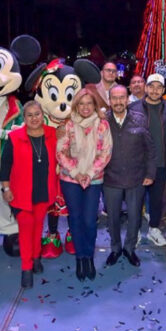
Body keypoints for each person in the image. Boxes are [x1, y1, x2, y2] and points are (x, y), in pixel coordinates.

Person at [0, 101, 59, 288]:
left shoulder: (53, 134)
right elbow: (5, 165)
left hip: (44, 190)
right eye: (30, 115)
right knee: (26, 227)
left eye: (37, 114)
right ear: (24, 118)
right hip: (20, 193)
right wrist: (6, 189)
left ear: (43, 115)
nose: (34, 118)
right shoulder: (14, 137)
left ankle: (36, 257)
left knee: (38, 226)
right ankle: (26, 267)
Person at [56, 88, 112, 281]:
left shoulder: (103, 125)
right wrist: (76, 173)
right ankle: (80, 258)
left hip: (93, 179)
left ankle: (89, 255)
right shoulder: (68, 125)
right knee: (76, 219)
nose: (85, 107)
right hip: (71, 179)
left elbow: (105, 153)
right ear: (76, 105)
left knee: (89, 220)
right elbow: (60, 152)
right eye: (82, 104)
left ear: (95, 105)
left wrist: (87, 174)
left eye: (89, 103)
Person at [104, 85, 155, 267]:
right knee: (113, 218)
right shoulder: (102, 121)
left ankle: (129, 248)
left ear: (127, 99)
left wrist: (150, 173)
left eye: (122, 98)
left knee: (135, 217)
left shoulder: (140, 119)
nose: (118, 102)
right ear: (109, 101)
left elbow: (150, 149)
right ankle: (116, 248)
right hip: (110, 178)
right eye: (114, 98)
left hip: (136, 178)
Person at [129, 73, 166, 246]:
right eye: (152, 86)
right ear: (146, 88)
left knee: (157, 199)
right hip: (139, 164)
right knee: (136, 200)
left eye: (159, 87)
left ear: (163, 90)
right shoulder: (133, 108)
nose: (155, 90)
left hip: (160, 163)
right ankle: (135, 232)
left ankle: (154, 229)